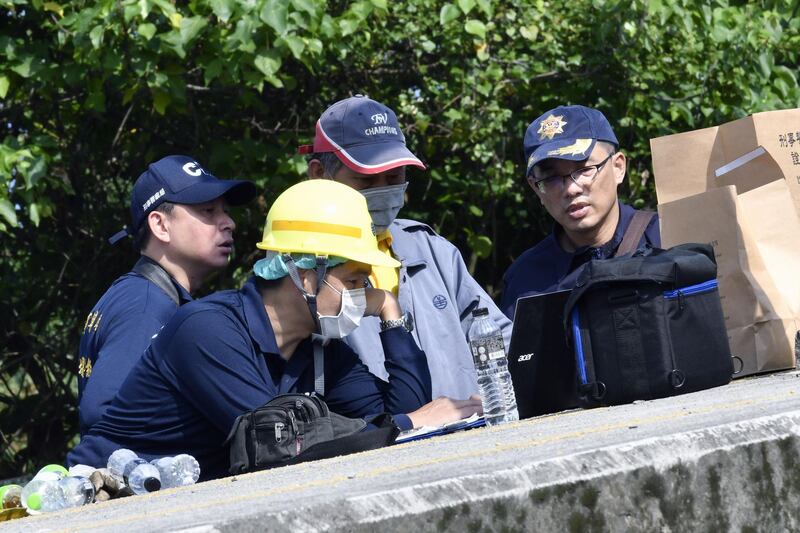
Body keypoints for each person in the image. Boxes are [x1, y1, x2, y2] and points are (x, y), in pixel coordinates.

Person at [68, 180, 482, 480]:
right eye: (356, 281)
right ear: (305, 274)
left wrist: (391, 313)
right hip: (108, 500)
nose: (365, 294)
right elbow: (278, 444)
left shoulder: (321, 348)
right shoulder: (207, 331)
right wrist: (410, 425)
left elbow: (397, 412)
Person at [301, 95, 512, 400]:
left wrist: (498, 391)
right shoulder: (301, 267)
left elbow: (498, 337)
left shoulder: (432, 250)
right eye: (367, 179)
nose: (384, 190)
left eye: (394, 176)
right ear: (319, 174)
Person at [76, 155, 256, 436]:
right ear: (160, 225)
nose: (228, 222)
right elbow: (101, 413)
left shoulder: (143, 294)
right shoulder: (147, 305)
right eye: (208, 210)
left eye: (225, 211)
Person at [501, 105, 661, 318]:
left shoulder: (667, 238)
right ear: (535, 188)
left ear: (618, 167)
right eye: (550, 178)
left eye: (584, 170)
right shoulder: (525, 281)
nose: (571, 189)